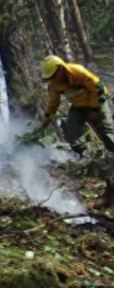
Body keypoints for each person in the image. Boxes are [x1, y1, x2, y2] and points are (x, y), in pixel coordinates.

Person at [40, 55, 114, 209]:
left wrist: (94, 109)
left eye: (54, 75)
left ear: (61, 69)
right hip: (78, 106)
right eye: (50, 77)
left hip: (98, 101)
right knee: (71, 128)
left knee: (107, 132)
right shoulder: (54, 84)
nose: (54, 79)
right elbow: (53, 101)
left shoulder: (78, 72)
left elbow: (98, 88)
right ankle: (86, 154)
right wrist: (47, 116)